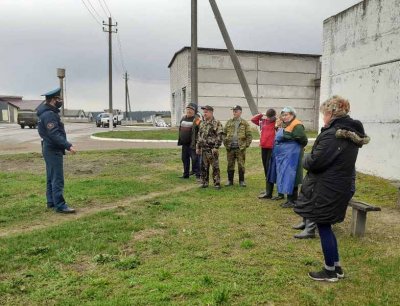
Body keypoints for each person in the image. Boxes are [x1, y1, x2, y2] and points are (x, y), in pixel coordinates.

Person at [294, 96, 370, 282]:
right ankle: (336, 268)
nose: (323, 118)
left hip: (327, 187)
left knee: (324, 226)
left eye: (324, 114)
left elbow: (315, 162)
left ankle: (329, 272)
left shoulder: (333, 134)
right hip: (338, 186)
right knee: (326, 225)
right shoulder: (348, 132)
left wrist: (306, 157)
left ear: (331, 113)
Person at [37, 88, 77, 213]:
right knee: (57, 178)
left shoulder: (46, 113)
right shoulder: (49, 114)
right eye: (58, 99)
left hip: (48, 147)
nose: (60, 101)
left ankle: (51, 202)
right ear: (53, 100)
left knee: (51, 177)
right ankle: (60, 205)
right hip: (52, 148)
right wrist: (68, 145)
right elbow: (54, 134)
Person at [268, 107, 308, 207]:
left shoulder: (297, 125)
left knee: (293, 176)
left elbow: (303, 139)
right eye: (283, 115)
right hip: (287, 155)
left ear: (292, 115)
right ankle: (289, 199)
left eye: (286, 115)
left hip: (294, 156)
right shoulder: (287, 124)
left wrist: (290, 141)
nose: (284, 117)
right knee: (287, 175)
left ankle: (293, 200)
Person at [223, 105, 253, 187]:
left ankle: (241, 181)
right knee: (230, 164)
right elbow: (224, 133)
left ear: (240, 112)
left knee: (241, 164)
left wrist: (246, 145)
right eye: (233, 111)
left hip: (240, 148)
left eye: (236, 111)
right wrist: (225, 142)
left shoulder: (244, 123)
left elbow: (249, 135)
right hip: (230, 147)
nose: (234, 112)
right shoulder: (229, 122)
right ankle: (230, 180)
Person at [196, 105, 223, 189]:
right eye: (204, 112)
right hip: (203, 149)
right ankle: (204, 182)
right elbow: (199, 136)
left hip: (212, 149)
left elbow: (220, 136)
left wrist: (216, 147)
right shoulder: (202, 123)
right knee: (203, 167)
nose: (204, 114)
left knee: (215, 167)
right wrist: (198, 147)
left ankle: (216, 183)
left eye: (206, 112)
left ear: (211, 112)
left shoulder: (217, 123)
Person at [251, 108, 277, 198]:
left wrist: (274, 118)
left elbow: (279, 122)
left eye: (271, 117)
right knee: (266, 169)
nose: (269, 118)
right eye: (268, 116)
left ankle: (269, 192)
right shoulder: (263, 121)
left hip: (271, 148)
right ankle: (268, 190)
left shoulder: (275, 122)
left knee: (269, 168)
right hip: (264, 147)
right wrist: (261, 114)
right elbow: (253, 119)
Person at [178, 103, 201, 179]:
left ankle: (198, 175)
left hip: (193, 144)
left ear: (195, 111)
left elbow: (200, 130)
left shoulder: (197, 120)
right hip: (184, 144)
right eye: (188, 109)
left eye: (191, 109)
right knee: (184, 159)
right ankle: (186, 174)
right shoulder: (183, 118)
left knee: (195, 160)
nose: (189, 111)